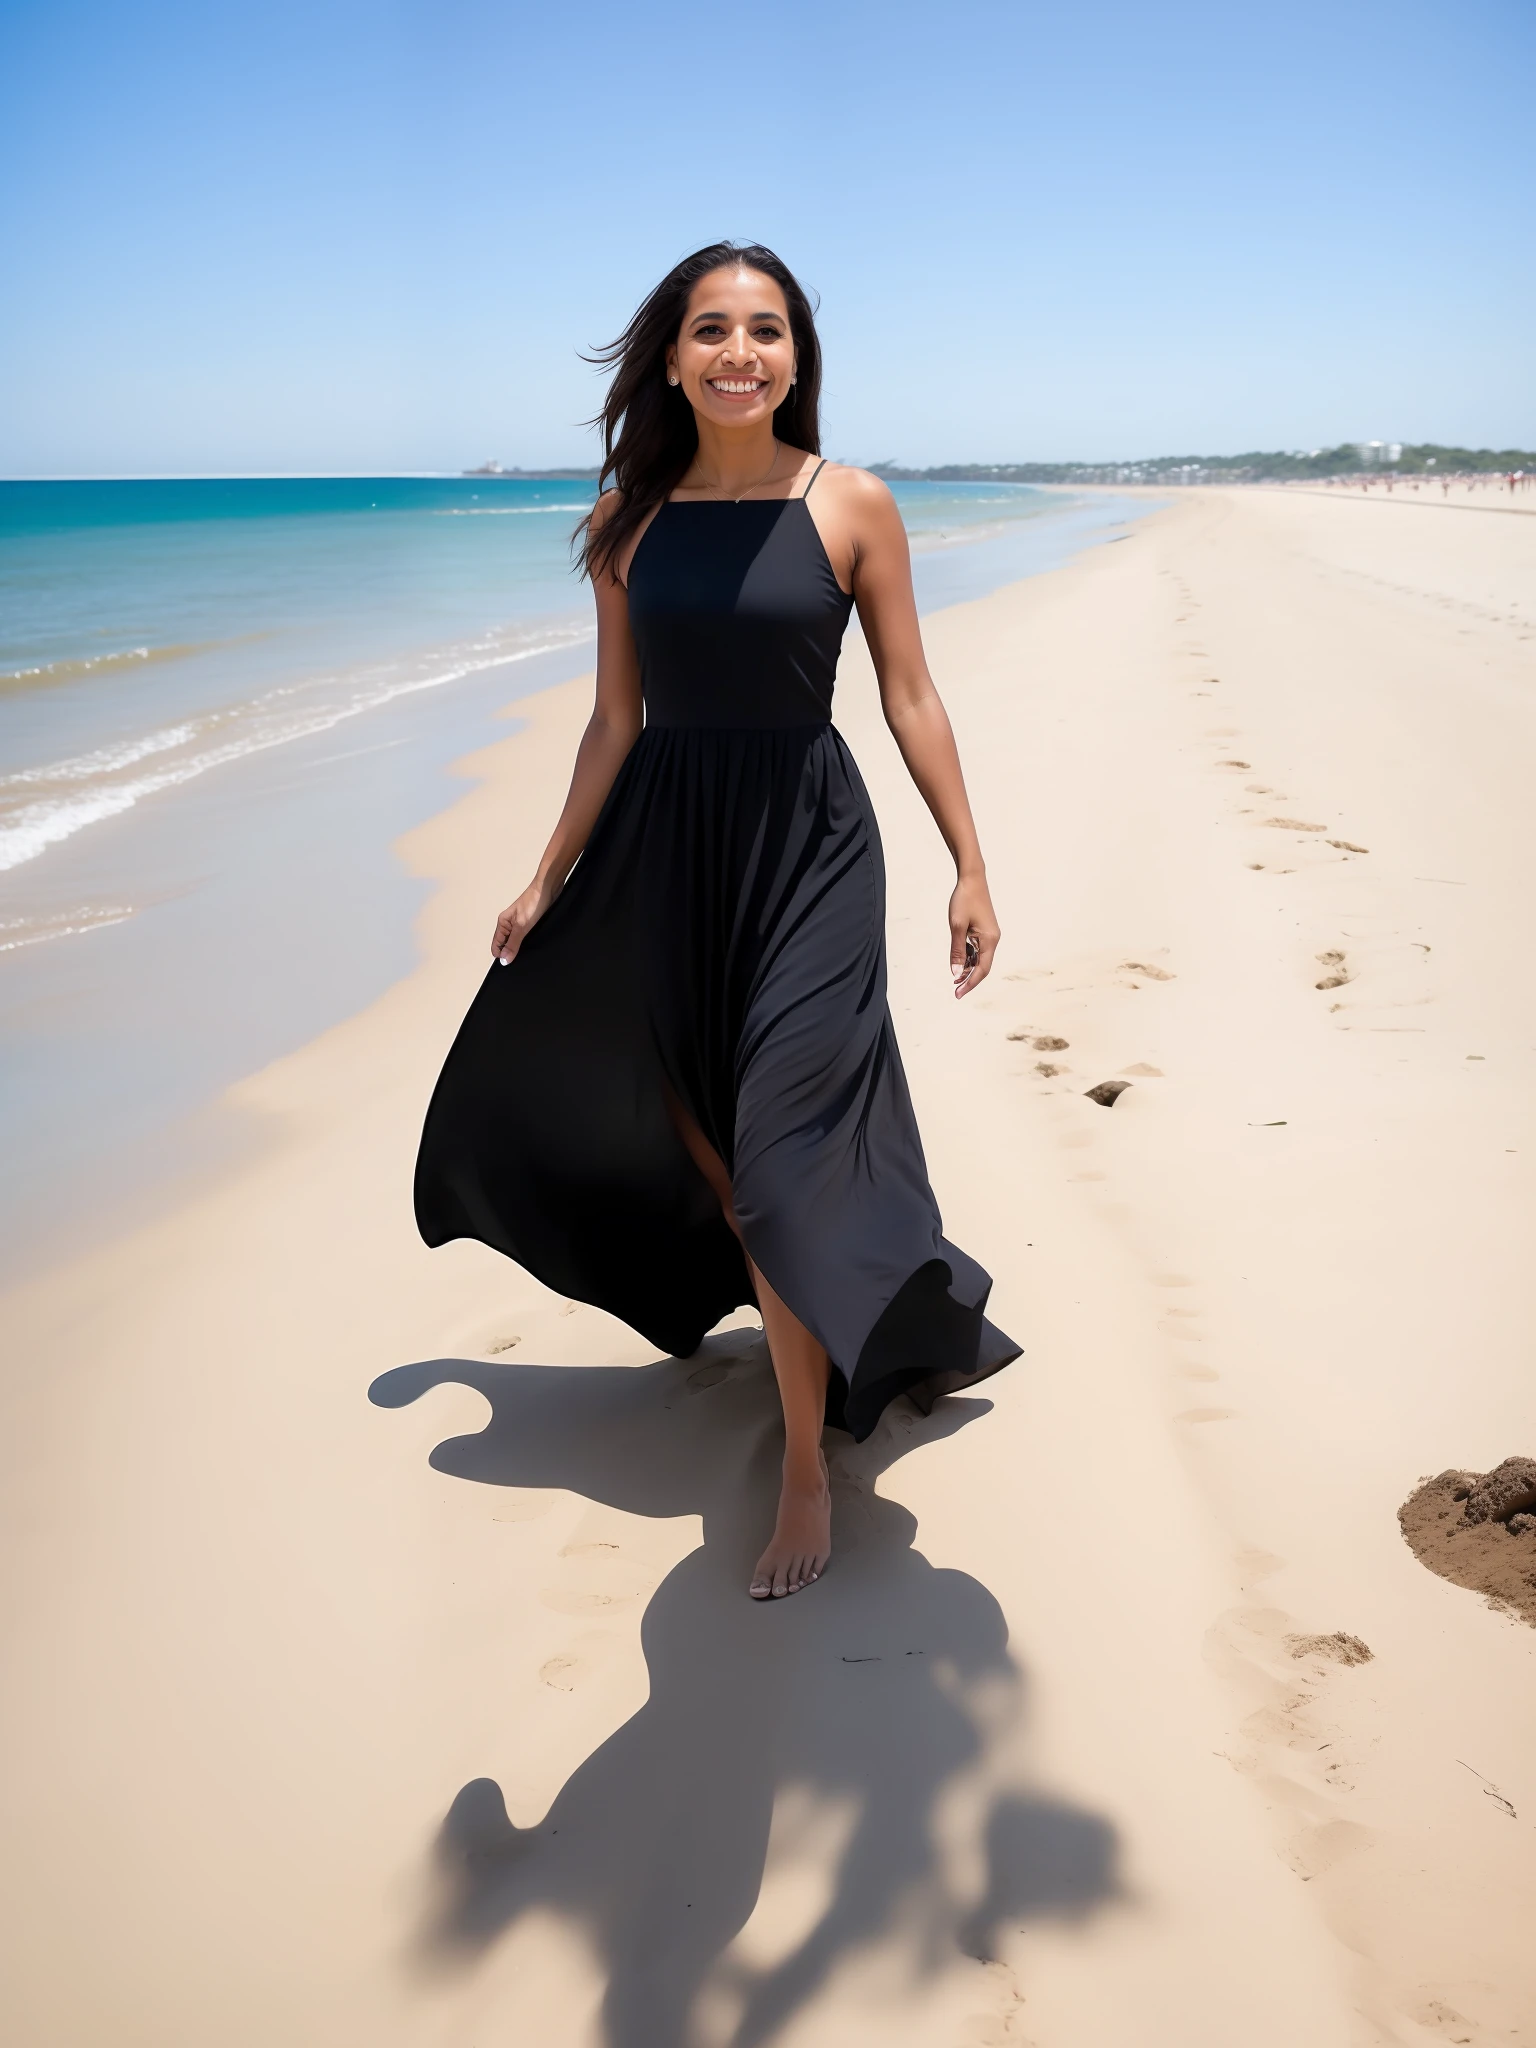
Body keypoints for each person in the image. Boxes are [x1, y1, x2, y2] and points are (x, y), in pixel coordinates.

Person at [414, 242, 1019, 1601]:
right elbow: (616, 720)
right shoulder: (627, 526)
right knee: (731, 1155)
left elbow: (910, 696)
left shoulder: (850, 503)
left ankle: (806, 1464)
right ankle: (816, 1327)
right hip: (670, 860)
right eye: (710, 330)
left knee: (783, 1157)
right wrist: (547, 877)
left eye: (764, 330)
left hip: (810, 853)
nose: (737, 353)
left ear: (796, 356)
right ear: (674, 357)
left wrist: (969, 864)